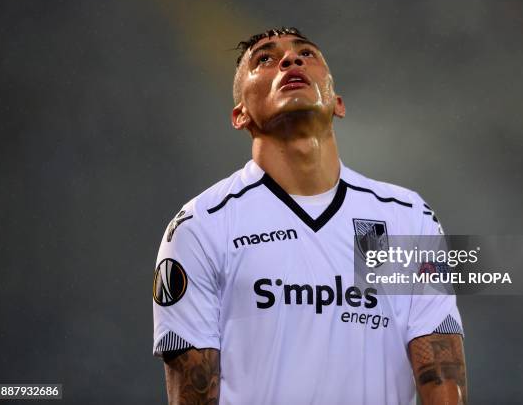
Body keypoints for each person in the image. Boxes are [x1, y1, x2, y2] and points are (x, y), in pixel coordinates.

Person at [152, 27, 467, 405]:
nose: (290, 60)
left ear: (337, 102)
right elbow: (193, 392)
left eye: (307, 54)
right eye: (265, 59)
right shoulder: (202, 226)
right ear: (240, 116)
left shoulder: (405, 217)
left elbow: (441, 375)